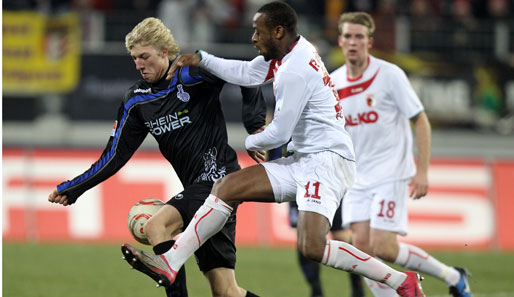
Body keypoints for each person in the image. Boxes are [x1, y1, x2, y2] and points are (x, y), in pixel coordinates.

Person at [121, 2, 426, 297]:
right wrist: (202, 58)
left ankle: (401, 281)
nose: (253, 38)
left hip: (327, 162)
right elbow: (247, 74)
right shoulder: (290, 50)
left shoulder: (295, 69)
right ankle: (171, 261)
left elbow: (279, 132)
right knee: (227, 186)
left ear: (278, 31)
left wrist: (250, 141)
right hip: (305, 158)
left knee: (313, 248)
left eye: (258, 32)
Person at [47, 17, 265, 297]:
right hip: (200, 192)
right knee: (226, 292)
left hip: (220, 181)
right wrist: (74, 188)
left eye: (144, 56)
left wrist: (254, 123)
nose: (139, 64)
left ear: (165, 51)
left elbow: (246, 75)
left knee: (156, 226)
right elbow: (114, 155)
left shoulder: (192, 74)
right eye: (135, 58)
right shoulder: (137, 100)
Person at [331, 12, 473, 297]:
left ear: (370, 42)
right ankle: (435, 282)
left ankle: (452, 276)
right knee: (361, 251)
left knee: (384, 248)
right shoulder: (333, 82)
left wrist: (422, 171)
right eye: (348, 36)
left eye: (359, 36)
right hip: (356, 178)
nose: (353, 42)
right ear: (340, 41)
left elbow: (420, 120)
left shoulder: (389, 75)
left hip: (391, 172)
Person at [267, 145, 364, 297]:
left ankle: (357, 287)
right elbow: (274, 148)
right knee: (303, 239)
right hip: (297, 181)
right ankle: (316, 290)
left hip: (325, 177)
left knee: (340, 236)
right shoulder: (281, 127)